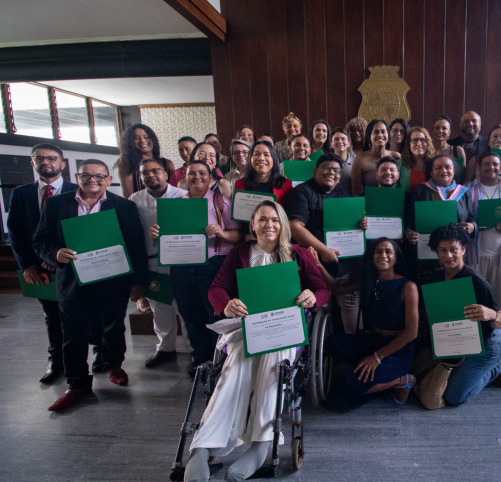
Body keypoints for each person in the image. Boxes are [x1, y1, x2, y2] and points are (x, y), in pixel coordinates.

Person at [184, 200, 329, 482]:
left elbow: (321, 289)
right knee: (234, 364)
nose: (269, 225)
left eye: (275, 220)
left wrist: (313, 297)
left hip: (285, 329)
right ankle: (203, 446)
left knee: (275, 361)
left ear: (283, 224)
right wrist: (226, 305)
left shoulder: (298, 254)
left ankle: (262, 443)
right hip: (250, 327)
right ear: (253, 224)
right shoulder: (240, 252)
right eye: (262, 220)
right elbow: (217, 288)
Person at [33, 159, 147, 411]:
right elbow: (40, 241)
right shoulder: (56, 205)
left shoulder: (124, 207)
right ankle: (77, 384)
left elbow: (136, 245)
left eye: (99, 176)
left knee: (113, 327)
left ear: (109, 179)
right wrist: (55, 255)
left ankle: (113, 365)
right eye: (87, 176)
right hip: (74, 282)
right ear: (76, 176)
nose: (93, 180)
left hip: (113, 280)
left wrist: (137, 282)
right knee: (73, 333)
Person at [157, 160, 241, 375]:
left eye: (202, 173)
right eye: (192, 173)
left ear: (211, 176)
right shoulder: (176, 204)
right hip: (181, 266)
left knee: (215, 316)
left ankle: (220, 361)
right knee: (190, 315)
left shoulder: (222, 201)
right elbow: (169, 237)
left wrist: (221, 233)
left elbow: (239, 235)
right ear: (184, 176)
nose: (197, 177)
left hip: (213, 265)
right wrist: (157, 233)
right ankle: (201, 359)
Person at [8, 143, 78, 383]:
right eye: (40, 159)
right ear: (33, 163)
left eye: (52, 158)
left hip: (73, 264)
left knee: (84, 312)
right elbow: (16, 231)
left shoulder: (77, 190)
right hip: (38, 269)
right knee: (52, 316)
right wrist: (28, 264)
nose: (46, 162)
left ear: (62, 163)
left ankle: (98, 355)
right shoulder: (21, 194)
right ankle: (56, 361)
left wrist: (58, 256)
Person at [324, 238, 418, 409]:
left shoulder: (407, 286)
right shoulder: (368, 280)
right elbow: (336, 289)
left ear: (396, 258)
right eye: (378, 251)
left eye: (388, 251)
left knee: (338, 397)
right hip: (373, 341)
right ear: (372, 257)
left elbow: (411, 332)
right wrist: (316, 263)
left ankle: (402, 380)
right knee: (331, 343)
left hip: (397, 351)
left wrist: (377, 357)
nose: (383, 255)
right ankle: (370, 376)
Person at [426, 223, 501, 406]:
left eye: (453, 249)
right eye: (442, 250)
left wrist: (490, 314)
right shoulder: (436, 278)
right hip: (463, 341)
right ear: (437, 253)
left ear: (463, 249)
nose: (448, 255)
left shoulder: (476, 280)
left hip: (489, 342)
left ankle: (499, 366)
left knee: (454, 397)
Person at [129, 158, 187, 367]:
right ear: (140, 176)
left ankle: (194, 350)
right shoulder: (134, 200)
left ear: (165, 174)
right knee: (160, 309)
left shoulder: (182, 196)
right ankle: (165, 348)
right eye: (145, 172)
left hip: (179, 261)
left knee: (185, 307)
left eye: (156, 171)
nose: (151, 175)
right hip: (151, 262)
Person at [466, 152, 501, 311]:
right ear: (479, 167)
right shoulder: (468, 188)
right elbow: (462, 216)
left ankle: (496, 334)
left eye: (495, 164)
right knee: (474, 298)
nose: (491, 167)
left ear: (500, 167)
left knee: (497, 301)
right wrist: (478, 225)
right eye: (486, 164)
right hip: (474, 254)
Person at [286, 153, 349, 265]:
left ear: (340, 177)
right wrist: (324, 251)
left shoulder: (342, 194)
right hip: (308, 256)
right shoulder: (302, 192)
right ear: (315, 171)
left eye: (336, 170)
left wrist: (361, 222)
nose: (331, 172)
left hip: (338, 254)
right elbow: (294, 228)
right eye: (326, 167)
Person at [116, 124, 175, 199]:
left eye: (146, 137)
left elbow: (174, 190)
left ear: (153, 139)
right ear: (131, 142)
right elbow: (128, 195)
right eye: (136, 138)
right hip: (140, 206)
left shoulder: (167, 163)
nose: (142, 140)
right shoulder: (126, 165)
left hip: (167, 205)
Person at [350, 119, 401, 196]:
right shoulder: (360, 160)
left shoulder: (396, 157)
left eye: (383, 131)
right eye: (376, 132)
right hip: (369, 205)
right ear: (369, 136)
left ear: (388, 135)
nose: (380, 135)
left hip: (394, 202)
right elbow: (355, 192)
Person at [234, 141, 294, 207]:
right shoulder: (239, 184)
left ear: (273, 159)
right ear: (250, 159)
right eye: (256, 154)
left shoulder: (286, 185)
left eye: (266, 155)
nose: (261, 158)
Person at [398, 126, 437, 191]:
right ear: (409, 144)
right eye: (415, 140)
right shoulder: (400, 164)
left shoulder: (435, 163)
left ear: (428, 143)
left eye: (422, 140)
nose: (419, 143)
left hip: (429, 201)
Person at [432, 116, 467, 182]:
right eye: (437, 128)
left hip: (454, 189)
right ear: (433, 131)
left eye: (444, 128)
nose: (440, 130)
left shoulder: (458, 151)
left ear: (449, 133)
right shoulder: (427, 151)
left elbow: (463, 175)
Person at [329, 128, 355, 192]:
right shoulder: (327, 163)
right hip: (331, 199)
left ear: (349, 143)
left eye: (343, 139)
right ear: (331, 144)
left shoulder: (356, 162)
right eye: (336, 139)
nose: (340, 141)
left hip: (351, 200)